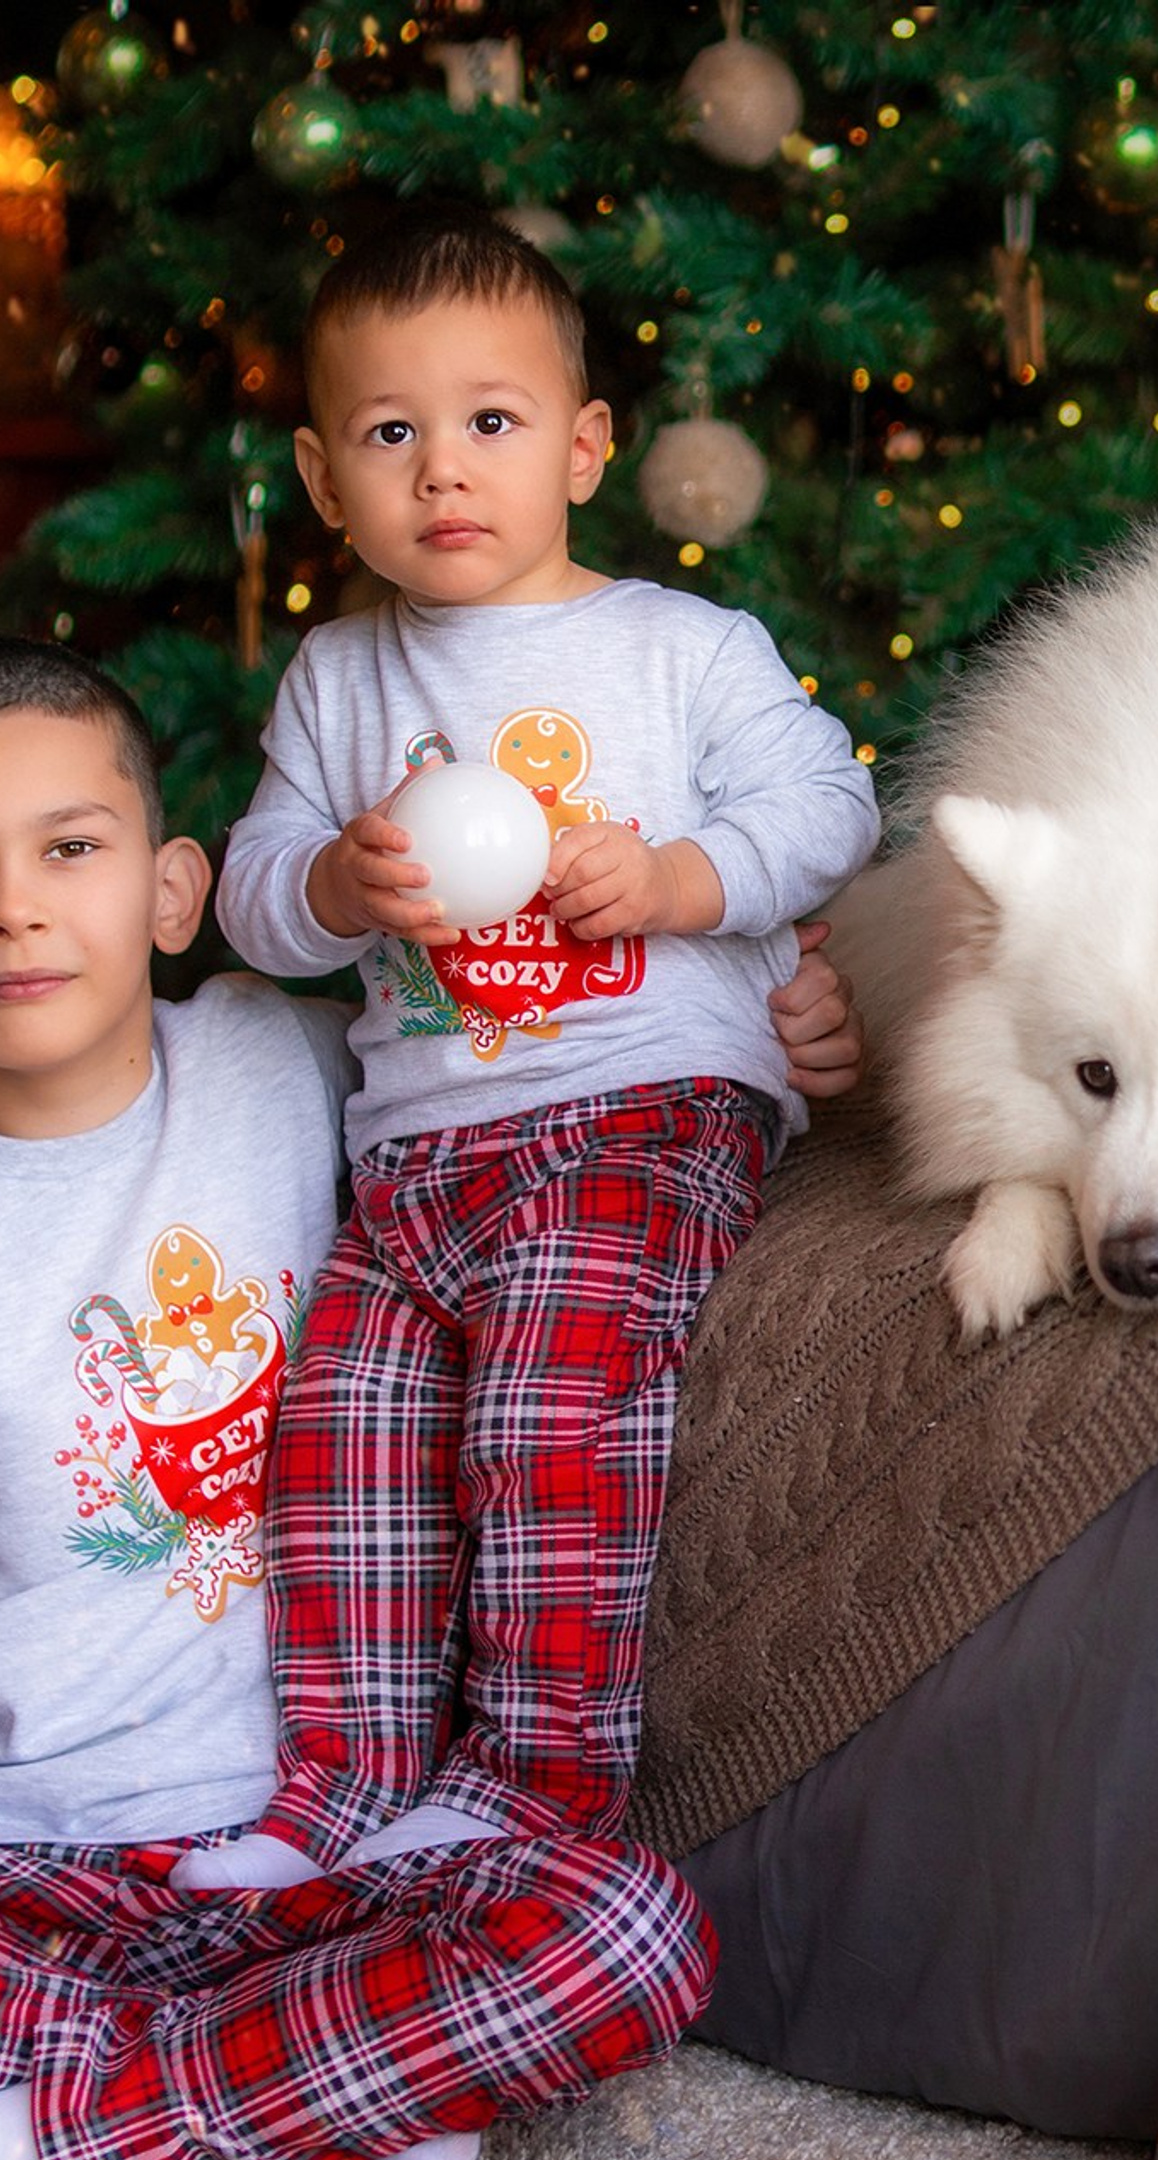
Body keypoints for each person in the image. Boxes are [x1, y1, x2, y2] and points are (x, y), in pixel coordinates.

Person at [0, 640, 850, 2160]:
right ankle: (317, 2081)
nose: (19, 906)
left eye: (68, 849)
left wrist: (777, 1016)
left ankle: (76, 2120)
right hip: (47, 1869)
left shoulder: (281, 1059)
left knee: (627, 1937)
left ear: (175, 892)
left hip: (348, 1847)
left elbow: (555, 1075)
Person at [183, 205, 878, 1896]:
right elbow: (259, 901)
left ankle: (535, 1785)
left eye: (489, 423)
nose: (443, 471)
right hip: (419, 1153)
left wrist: (673, 877)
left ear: (579, 450)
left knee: (553, 1395)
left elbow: (828, 806)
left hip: (640, 1112)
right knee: (342, 1419)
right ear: (323, 475)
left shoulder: (678, 648)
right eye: (390, 432)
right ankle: (344, 1786)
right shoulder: (337, 680)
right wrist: (340, 879)